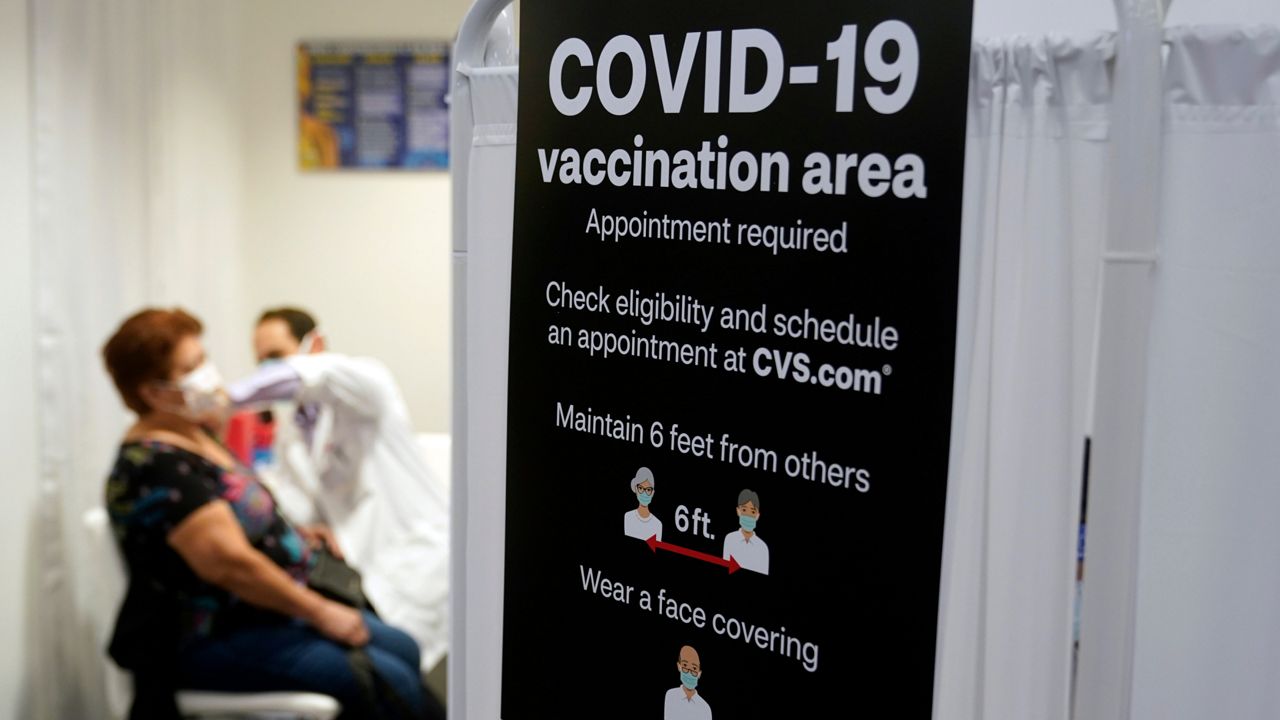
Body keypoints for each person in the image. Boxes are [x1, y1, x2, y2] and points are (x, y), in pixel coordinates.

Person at [101, 307, 437, 719]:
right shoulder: (154, 466)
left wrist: (297, 531)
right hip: (217, 630)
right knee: (389, 681)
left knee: (404, 647)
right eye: (191, 367)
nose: (208, 372)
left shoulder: (194, 436)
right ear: (153, 392)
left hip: (270, 609)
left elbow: (242, 509)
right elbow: (230, 565)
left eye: (203, 358)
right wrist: (321, 611)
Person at [227, 307, 449, 673]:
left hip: (418, 560)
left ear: (316, 344)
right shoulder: (292, 430)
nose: (268, 370)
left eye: (277, 357)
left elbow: (319, 375)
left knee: (402, 671)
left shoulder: (367, 385)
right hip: (362, 574)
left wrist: (228, 398)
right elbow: (296, 504)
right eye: (261, 360)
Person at [721, 489, 769, 575]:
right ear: (738, 511)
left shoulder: (763, 548)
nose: (748, 515)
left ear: (757, 515)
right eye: (744, 510)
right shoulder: (730, 539)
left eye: (753, 511)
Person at [664, 645, 712, 720]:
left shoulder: (705, 708)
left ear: (699, 673)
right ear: (679, 666)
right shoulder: (671, 695)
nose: (689, 672)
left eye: (694, 668)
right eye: (685, 665)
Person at [623, 466, 663, 541]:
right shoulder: (628, 517)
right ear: (636, 489)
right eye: (641, 488)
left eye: (648, 490)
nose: (644, 493)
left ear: (652, 493)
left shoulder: (657, 525)